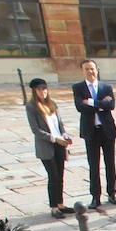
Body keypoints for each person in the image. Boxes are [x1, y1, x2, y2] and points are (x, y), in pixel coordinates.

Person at [72, 59, 116, 210]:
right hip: (91, 131)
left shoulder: (106, 87)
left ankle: (112, 193)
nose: (90, 71)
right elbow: (80, 107)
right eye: (87, 69)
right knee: (94, 164)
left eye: (92, 69)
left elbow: (110, 105)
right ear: (82, 71)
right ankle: (95, 196)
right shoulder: (78, 87)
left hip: (107, 130)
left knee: (110, 163)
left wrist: (91, 102)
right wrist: (100, 104)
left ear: (97, 70)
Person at [24, 78, 73, 219]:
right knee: (53, 176)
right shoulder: (31, 107)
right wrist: (54, 138)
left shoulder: (52, 104)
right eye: (39, 89)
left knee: (61, 176)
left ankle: (60, 204)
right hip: (46, 146)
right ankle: (53, 207)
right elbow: (36, 130)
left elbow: (59, 124)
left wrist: (64, 135)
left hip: (59, 144)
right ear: (34, 91)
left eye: (44, 89)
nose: (42, 92)